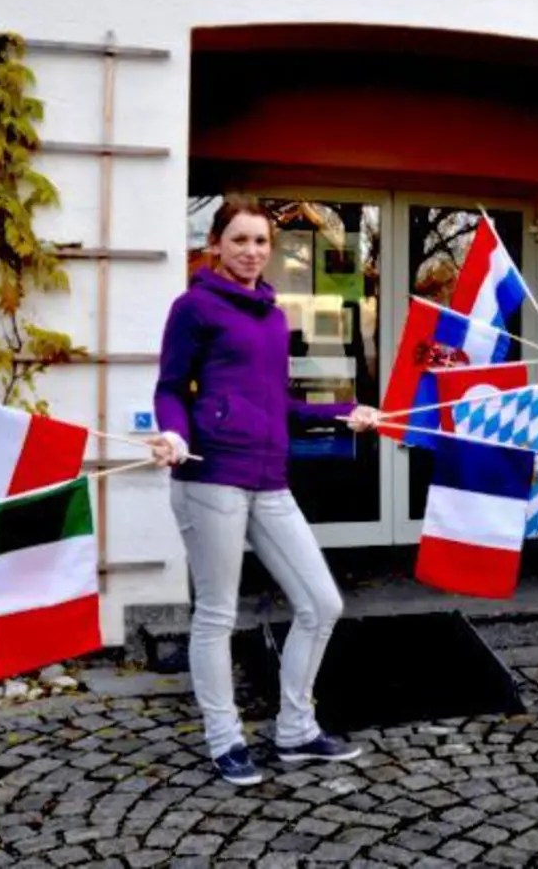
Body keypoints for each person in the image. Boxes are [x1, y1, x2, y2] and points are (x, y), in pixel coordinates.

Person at [149, 195, 381, 785]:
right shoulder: (193, 307)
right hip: (210, 477)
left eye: (260, 242)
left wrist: (346, 410)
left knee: (321, 603)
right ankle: (225, 740)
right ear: (216, 246)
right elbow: (171, 387)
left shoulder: (274, 316)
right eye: (240, 240)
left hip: (268, 479)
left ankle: (297, 731)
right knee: (217, 614)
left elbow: (278, 404)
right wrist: (173, 433)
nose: (252, 252)